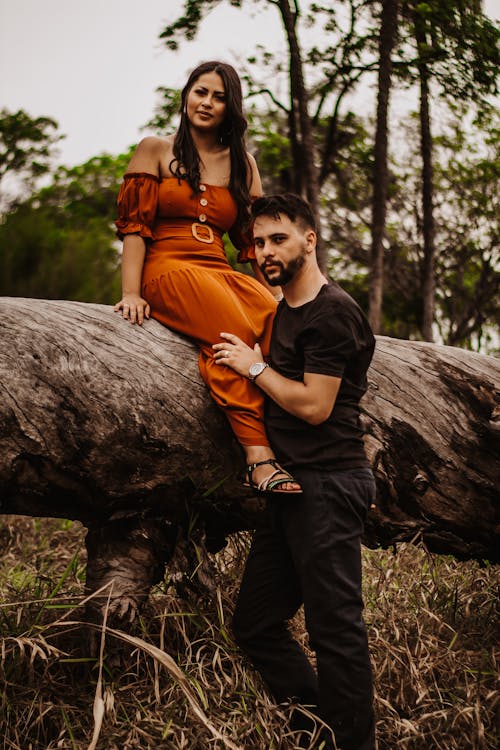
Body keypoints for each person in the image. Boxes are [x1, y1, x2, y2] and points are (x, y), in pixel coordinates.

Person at [213, 193, 376, 750]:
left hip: (329, 484)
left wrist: (253, 366)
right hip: (293, 487)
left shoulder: (332, 312)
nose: (264, 251)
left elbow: (314, 406)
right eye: (257, 242)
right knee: (255, 624)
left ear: (310, 239)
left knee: (337, 633)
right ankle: (317, 733)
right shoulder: (284, 309)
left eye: (277, 238)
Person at [113, 61, 300, 495]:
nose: (207, 103)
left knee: (280, 329)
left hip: (219, 269)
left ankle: (295, 444)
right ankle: (258, 458)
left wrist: (277, 298)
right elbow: (134, 228)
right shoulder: (154, 149)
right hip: (168, 269)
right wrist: (130, 292)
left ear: (229, 107)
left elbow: (253, 245)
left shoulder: (243, 164)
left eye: (218, 97)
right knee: (233, 337)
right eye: (200, 92)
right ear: (186, 96)